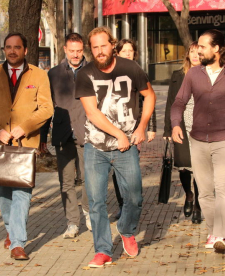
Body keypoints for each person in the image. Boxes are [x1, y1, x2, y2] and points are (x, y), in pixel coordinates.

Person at [170, 29, 225, 253]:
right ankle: (213, 230)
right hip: (197, 141)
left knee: (222, 188)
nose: (198, 50)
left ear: (217, 49)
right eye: (198, 46)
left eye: (202, 46)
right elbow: (179, 101)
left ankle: (220, 235)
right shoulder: (193, 75)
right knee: (205, 192)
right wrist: (175, 124)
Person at [75, 26, 156, 267]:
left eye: (103, 45)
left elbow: (149, 95)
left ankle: (126, 230)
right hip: (95, 147)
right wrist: (118, 133)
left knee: (135, 196)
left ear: (112, 45)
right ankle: (103, 250)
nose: (100, 51)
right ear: (91, 49)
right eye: (95, 47)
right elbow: (92, 112)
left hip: (127, 146)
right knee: (96, 201)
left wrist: (141, 127)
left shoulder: (130, 68)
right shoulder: (85, 74)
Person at [0, 32, 54, 260]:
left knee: (22, 193)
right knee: (2, 195)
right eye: (8, 47)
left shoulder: (39, 75)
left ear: (25, 50)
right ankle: (12, 231)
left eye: (17, 47)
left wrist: (26, 127)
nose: (12, 51)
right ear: (4, 50)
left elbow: (47, 108)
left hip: (25, 145)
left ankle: (18, 243)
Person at [45, 33, 91, 238]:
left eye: (79, 51)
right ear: (64, 49)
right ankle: (72, 223)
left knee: (90, 179)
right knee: (67, 182)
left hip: (88, 132)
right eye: (71, 50)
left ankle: (89, 212)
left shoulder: (92, 71)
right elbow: (47, 107)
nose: (75, 54)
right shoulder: (53, 74)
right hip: (63, 133)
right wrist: (41, 138)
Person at [112, 38, 157, 220]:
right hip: (114, 129)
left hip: (135, 128)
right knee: (116, 171)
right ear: (117, 53)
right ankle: (122, 205)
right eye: (124, 51)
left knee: (130, 169)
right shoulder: (111, 73)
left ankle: (131, 204)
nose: (128, 54)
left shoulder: (139, 72)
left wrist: (150, 127)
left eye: (131, 51)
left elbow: (149, 99)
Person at [163, 41, 202, 224]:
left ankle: (198, 207)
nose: (195, 56)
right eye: (192, 52)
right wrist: (167, 129)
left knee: (200, 168)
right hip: (181, 126)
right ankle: (188, 195)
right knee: (184, 165)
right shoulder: (178, 75)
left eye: (198, 52)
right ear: (188, 55)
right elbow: (171, 103)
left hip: (202, 127)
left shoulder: (208, 74)